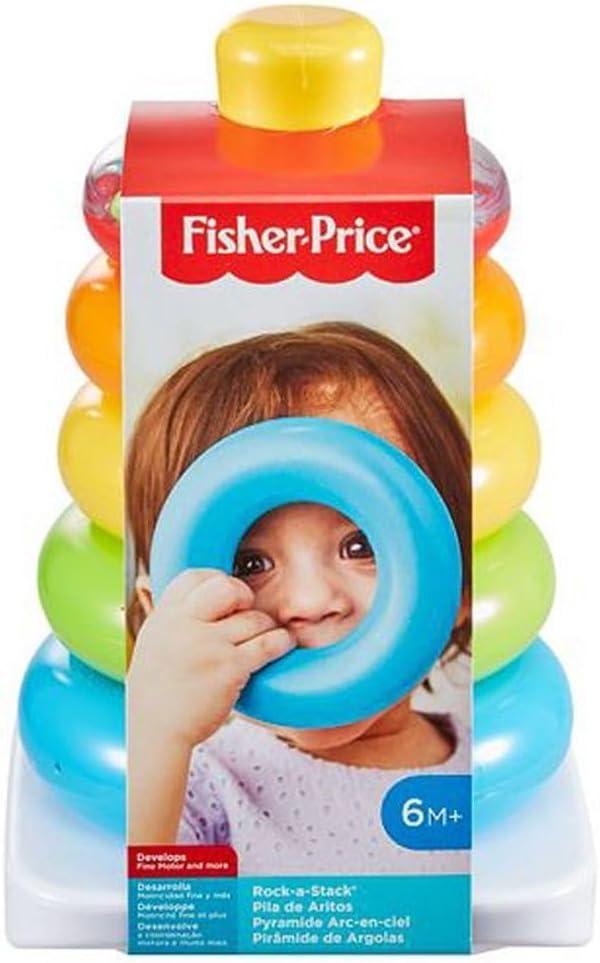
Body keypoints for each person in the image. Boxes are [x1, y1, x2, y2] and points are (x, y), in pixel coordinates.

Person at [127, 321, 471, 874]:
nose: (310, 602)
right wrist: (158, 734)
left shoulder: (493, 762)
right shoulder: (191, 782)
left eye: (360, 545)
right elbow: (140, 905)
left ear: (458, 586)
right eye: (250, 564)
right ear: (158, 621)